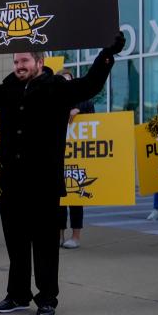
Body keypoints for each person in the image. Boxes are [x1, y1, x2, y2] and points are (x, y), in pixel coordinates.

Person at [0, 32, 124, 315]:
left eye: (24, 60)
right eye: (15, 61)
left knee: (46, 244)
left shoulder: (58, 89)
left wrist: (107, 54)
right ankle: (18, 294)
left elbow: (90, 84)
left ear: (39, 61)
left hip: (45, 182)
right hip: (10, 183)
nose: (18, 65)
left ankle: (47, 299)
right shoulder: (7, 90)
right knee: (16, 242)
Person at [57, 70, 94, 249]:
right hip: (58, 158)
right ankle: (59, 234)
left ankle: (76, 236)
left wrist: (78, 108)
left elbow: (96, 119)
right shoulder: (52, 102)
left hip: (78, 158)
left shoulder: (84, 100)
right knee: (58, 200)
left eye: (68, 80)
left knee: (76, 197)